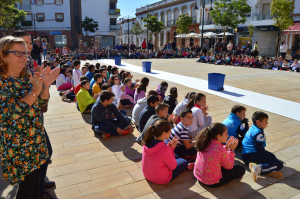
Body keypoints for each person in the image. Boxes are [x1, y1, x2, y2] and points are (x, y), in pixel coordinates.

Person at [0, 36, 60, 199]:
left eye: (25, 53)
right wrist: (34, 90)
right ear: (3, 55)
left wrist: (45, 85)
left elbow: (41, 105)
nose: (24, 57)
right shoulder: (2, 83)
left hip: (36, 142)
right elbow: (10, 116)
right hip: (20, 148)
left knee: (34, 188)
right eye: (18, 53)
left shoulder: (26, 77)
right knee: (27, 190)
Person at [194, 123, 245, 187]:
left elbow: (215, 152)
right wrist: (231, 150)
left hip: (199, 177)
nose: (228, 135)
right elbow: (229, 166)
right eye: (226, 134)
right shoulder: (219, 149)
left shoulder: (205, 141)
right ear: (218, 136)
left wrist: (226, 148)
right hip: (212, 182)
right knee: (240, 169)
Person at [142, 120, 188, 184]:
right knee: (184, 161)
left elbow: (158, 153)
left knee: (175, 157)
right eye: (170, 131)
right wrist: (172, 148)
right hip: (161, 179)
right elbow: (173, 167)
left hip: (148, 175)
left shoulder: (146, 142)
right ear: (164, 133)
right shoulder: (165, 149)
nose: (171, 133)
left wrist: (169, 148)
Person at [242, 111, 284, 182]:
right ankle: (259, 169)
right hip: (252, 155)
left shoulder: (253, 128)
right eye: (266, 121)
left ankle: (265, 169)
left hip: (246, 155)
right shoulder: (259, 134)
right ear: (258, 122)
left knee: (272, 156)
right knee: (279, 164)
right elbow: (260, 150)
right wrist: (268, 158)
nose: (267, 123)